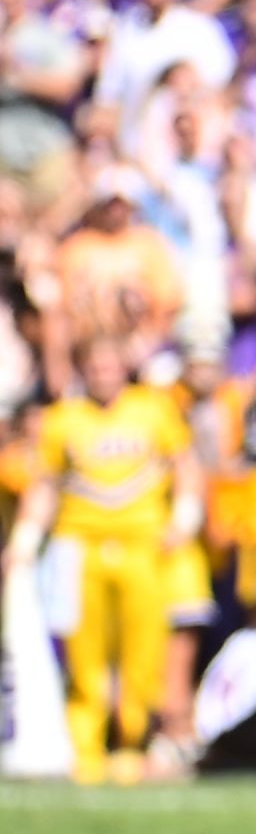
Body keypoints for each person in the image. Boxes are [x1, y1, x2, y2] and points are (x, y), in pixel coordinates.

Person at [4, 334, 201, 783]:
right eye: (95, 366)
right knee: (83, 652)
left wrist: (185, 517)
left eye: (111, 365)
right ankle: (86, 750)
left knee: (143, 651)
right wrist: (26, 540)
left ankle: (133, 743)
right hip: (80, 546)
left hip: (143, 545)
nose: (104, 374)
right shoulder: (64, 419)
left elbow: (184, 465)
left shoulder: (153, 409)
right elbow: (46, 485)